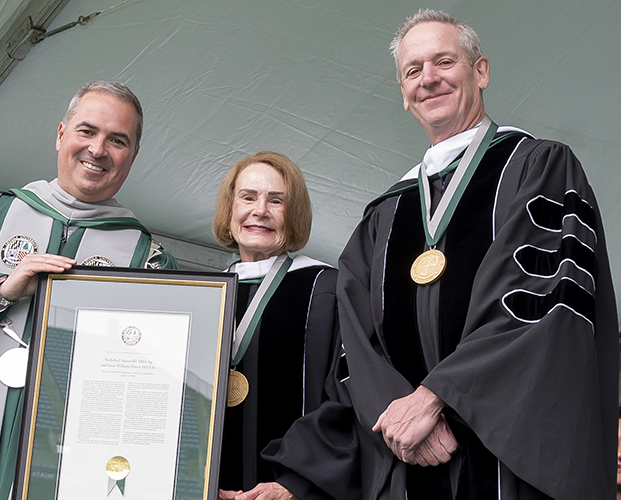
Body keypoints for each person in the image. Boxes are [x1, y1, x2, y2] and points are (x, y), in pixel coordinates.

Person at [244, 8, 618, 500]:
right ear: (403, 94)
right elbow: (356, 355)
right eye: (413, 70)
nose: (429, 79)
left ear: (480, 71)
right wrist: (389, 418)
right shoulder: (382, 217)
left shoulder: (537, 169)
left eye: (444, 61)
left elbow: (541, 303)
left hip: (508, 464)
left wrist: (436, 398)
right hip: (408, 464)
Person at [0, 81, 177, 500]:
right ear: (61, 134)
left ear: (132, 156)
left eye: (117, 140)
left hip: (70, 461)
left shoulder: (150, 264)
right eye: (87, 131)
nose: (98, 150)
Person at [211, 152, 339, 499]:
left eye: (276, 201)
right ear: (230, 208)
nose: (260, 211)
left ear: (293, 214)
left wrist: (294, 485)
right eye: (248, 197)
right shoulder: (204, 294)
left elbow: (346, 401)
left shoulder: (326, 290)